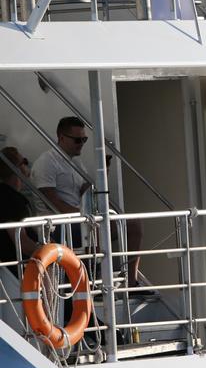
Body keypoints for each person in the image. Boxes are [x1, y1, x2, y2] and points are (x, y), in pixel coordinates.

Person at [31, 117, 147, 292]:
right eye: (77, 140)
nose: (81, 144)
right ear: (61, 137)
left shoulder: (74, 162)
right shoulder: (46, 162)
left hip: (79, 220)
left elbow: (88, 191)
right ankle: (96, 284)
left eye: (84, 139)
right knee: (96, 228)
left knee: (133, 225)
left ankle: (131, 281)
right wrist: (85, 216)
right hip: (58, 224)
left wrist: (103, 173)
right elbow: (53, 202)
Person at [0, 147, 39, 278]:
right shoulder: (10, 200)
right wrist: (50, 253)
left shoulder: (9, 196)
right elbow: (21, 241)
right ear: (17, 168)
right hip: (18, 270)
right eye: (25, 161)